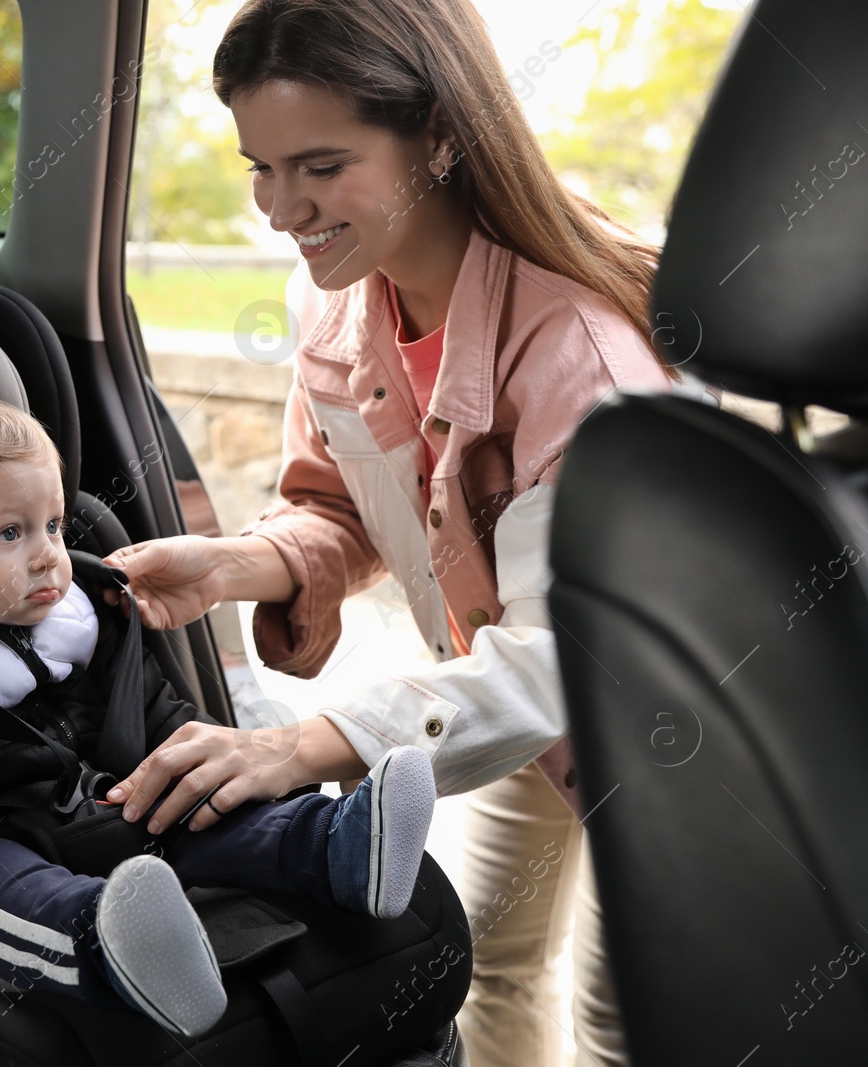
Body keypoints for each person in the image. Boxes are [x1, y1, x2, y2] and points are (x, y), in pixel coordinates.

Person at [98, 2, 707, 1065]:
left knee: (638, 1029)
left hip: (664, 725)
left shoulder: (583, 359)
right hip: (495, 687)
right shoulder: (332, 304)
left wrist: (303, 745)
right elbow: (337, 505)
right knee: (490, 974)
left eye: (320, 166)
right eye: (261, 167)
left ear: (438, 137)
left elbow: (568, 650)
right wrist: (247, 561)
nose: (281, 208)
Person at [0, 387, 437, 1040]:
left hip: (103, 799)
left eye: (53, 526)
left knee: (196, 810)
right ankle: (114, 947)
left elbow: (150, 712)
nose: (46, 554)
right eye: (10, 533)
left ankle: (338, 845)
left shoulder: (78, 616)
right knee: (1, 887)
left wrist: (215, 762)